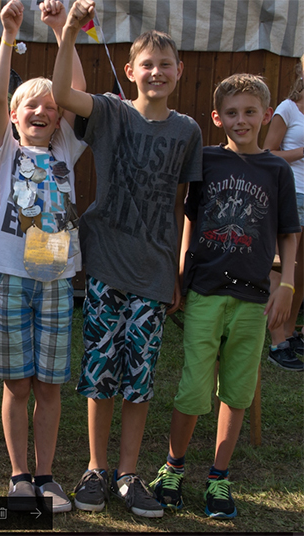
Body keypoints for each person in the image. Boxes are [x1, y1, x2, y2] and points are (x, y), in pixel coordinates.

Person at [52, 0, 203, 518]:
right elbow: (62, 94)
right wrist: (68, 32)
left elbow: (183, 204)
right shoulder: (111, 112)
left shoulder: (188, 131)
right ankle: (96, 469)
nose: (156, 72)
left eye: (165, 64)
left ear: (179, 71)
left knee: (139, 380)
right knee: (100, 373)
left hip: (155, 274)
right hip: (107, 266)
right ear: (131, 70)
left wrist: (178, 269)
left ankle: (128, 473)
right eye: (147, 64)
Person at [149, 73, 299, 519]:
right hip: (205, 292)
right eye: (232, 113)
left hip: (253, 298)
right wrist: (179, 273)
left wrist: (287, 284)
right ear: (217, 118)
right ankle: (173, 467)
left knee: (237, 390)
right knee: (193, 388)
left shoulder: (277, 170)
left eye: (250, 112)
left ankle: (219, 476)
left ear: (266, 115)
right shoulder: (207, 161)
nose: (241, 120)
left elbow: (289, 233)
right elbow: (190, 219)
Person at [0, 0, 88, 514]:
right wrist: (8, 36)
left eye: (50, 106)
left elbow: (77, 92)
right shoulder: (5, 150)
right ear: (14, 117)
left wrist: (63, 30)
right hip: (12, 276)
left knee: (49, 384)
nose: (42, 112)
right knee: (18, 384)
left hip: (57, 280)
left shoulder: (66, 148)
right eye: (31, 107)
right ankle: (20, 475)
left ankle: (47, 476)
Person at [263, 54, 304, 372]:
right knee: (281, 268)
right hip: (292, 196)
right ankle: (278, 343)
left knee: (301, 272)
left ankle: (291, 333)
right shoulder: (287, 109)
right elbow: (268, 153)